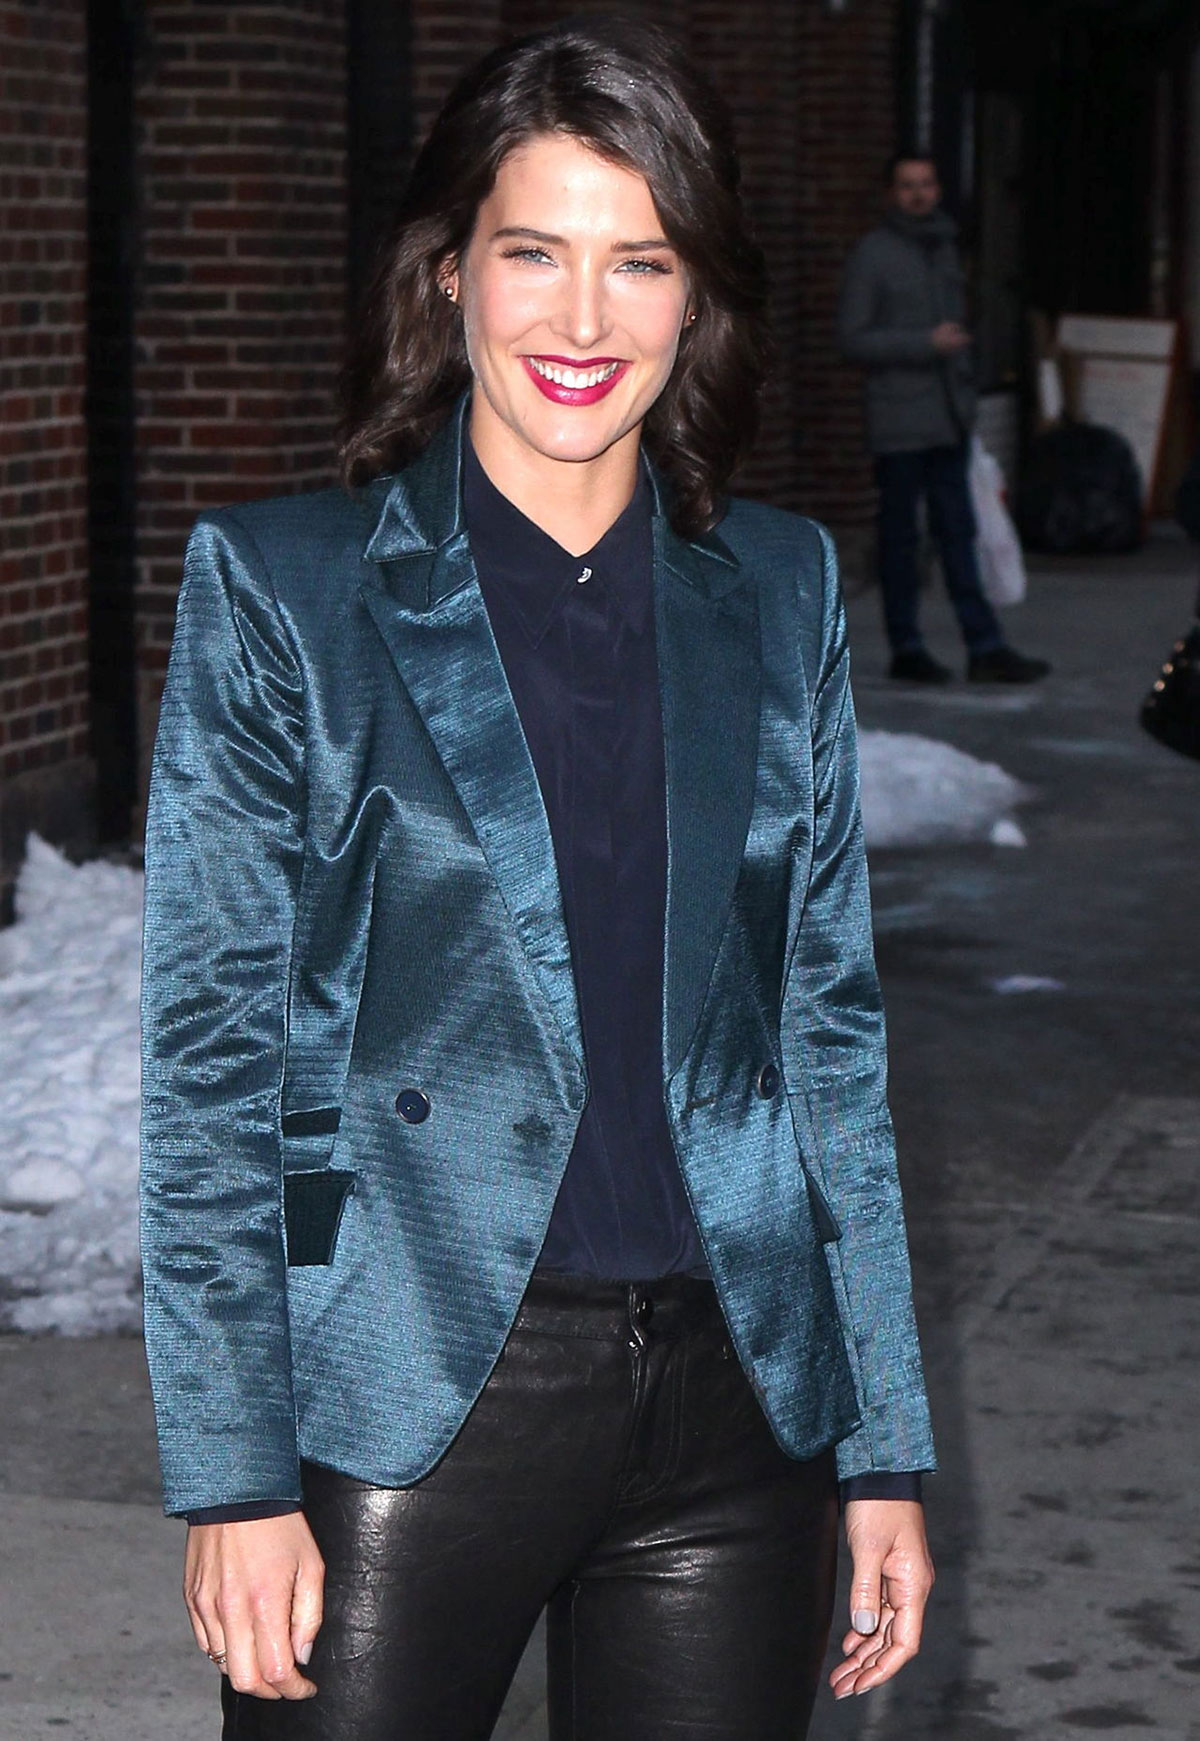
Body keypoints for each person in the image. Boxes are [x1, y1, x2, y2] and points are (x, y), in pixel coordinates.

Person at [140, 19, 935, 1740]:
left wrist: (879, 1442)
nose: (584, 322)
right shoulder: (288, 590)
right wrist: (229, 1472)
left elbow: (829, 1038)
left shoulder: (781, 587)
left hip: (735, 1406)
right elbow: (211, 1061)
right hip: (410, 1398)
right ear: (448, 279)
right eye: (536, 255)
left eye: (639, 262)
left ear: (695, 299)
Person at [838, 153, 1050, 685]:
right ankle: (906, 647)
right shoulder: (874, 254)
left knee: (961, 534)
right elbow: (853, 337)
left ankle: (985, 645)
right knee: (902, 541)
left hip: (949, 418)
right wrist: (925, 344)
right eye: (907, 185)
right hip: (899, 422)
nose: (918, 194)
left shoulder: (945, 246)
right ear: (891, 192)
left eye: (926, 184)